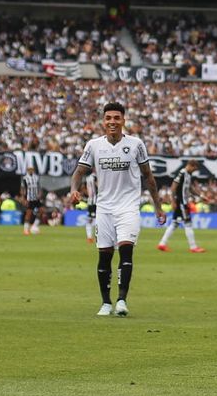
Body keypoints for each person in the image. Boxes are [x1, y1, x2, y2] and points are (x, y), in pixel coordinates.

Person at [69, 101, 161, 317]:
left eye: (116, 118)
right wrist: (74, 189)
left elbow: (148, 176)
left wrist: (158, 207)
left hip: (128, 207)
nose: (112, 122)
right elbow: (79, 172)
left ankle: (121, 300)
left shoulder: (136, 144)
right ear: (103, 121)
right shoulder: (93, 145)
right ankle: (105, 302)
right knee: (104, 256)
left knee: (126, 250)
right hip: (104, 208)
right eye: (108, 118)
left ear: (123, 121)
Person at [157, 163, 205, 253]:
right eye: (194, 169)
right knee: (188, 223)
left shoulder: (188, 174)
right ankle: (193, 247)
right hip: (182, 203)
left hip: (182, 202)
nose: (194, 171)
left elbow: (190, 188)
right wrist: (173, 201)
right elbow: (173, 187)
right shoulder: (182, 173)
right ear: (191, 165)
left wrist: (201, 196)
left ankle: (162, 244)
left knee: (175, 223)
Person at [21, 165, 45, 235]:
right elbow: (22, 189)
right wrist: (24, 199)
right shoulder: (25, 178)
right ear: (27, 170)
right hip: (29, 199)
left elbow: (39, 187)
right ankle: (25, 229)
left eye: (32, 169)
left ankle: (34, 226)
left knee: (41, 211)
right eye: (29, 169)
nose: (31, 171)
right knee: (28, 214)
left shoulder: (36, 177)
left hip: (36, 198)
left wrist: (40, 194)